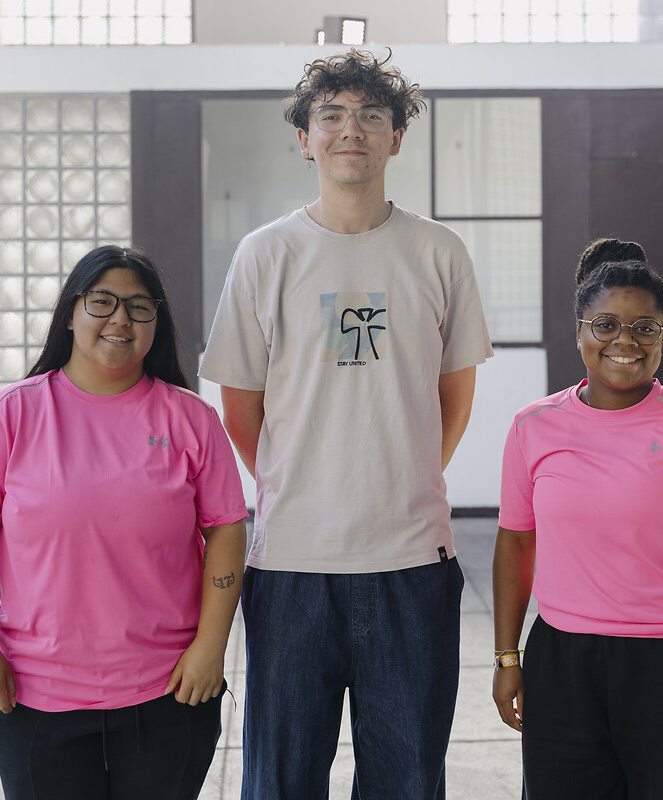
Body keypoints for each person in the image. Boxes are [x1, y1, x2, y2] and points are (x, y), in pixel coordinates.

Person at [199, 50, 493, 798]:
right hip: (292, 563)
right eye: (330, 116)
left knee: (407, 779)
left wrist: (401, 478)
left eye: (370, 115)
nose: (349, 130)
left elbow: (452, 398)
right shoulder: (265, 254)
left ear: (397, 138)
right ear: (305, 138)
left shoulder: (438, 252)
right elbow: (242, 407)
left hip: (411, 563)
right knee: (281, 780)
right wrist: (305, 485)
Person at [0, 245, 248, 800]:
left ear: (157, 321)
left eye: (139, 306)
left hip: (168, 690)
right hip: (36, 695)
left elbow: (227, 529)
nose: (120, 319)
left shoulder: (191, 419)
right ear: (71, 312)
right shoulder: (12, 414)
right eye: (101, 301)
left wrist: (211, 647)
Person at [492, 237, 663, 799]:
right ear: (581, 328)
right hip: (564, 663)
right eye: (606, 324)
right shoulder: (532, 428)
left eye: (645, 328)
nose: (625, 342)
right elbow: (515, 543)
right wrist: (507, 656)